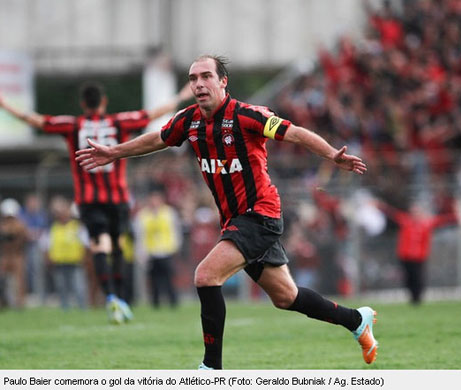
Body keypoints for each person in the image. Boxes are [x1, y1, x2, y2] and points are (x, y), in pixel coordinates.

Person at [76, 55, 378, 368]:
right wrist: (114, 152)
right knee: (286, 297)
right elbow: (158, 139)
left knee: (205, 276)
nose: (198, 84)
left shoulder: (248, 115)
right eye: (193, 78)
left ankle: (211, 369)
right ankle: (357, 320)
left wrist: (332, 155)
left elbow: (296, 133)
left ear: (223, 82)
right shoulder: (189, 120)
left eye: (206, 76)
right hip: (236, 221)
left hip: (260, 215)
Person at [0, 82, 192, 323]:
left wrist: (5, 104)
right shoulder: (119, 122)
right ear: (103, 102)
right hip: (118, 198)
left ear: (83, 104)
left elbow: (34, 120)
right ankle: (121, 298)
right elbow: (154, 114)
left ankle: (111, 296)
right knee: (118, 246)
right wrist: (182, 95)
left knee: (99, 246)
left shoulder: (72, 125)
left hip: (89, 200)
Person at [377, 199, 457, 305]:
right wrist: (380, 206)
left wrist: (456, 216)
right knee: (408, 278)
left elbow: (442, 220)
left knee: (418, 278)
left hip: (419, 257)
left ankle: (417, 298)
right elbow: (393, 213)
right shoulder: (406, 221)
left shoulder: (426, 223)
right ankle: (412, 296)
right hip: (405, 256)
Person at [136, 187, 182, 308]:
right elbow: (140, 235)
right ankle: (155, 303)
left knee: (169, 279)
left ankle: (173, 302)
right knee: (154, 281)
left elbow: (176, 231)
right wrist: (142, 252)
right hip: (151, 252)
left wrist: (175, 247)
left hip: (166, 251)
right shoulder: (143, 215)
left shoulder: (169, 213)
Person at [41, 196, 88, 310]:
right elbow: (46, 245)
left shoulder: (77, 227)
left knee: (79, 287)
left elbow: (85, 244)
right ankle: (65, 309)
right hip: (59, 262)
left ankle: (83, 308)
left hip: (75, 261)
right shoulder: (52, 228)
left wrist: (84, 258)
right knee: (62, 288)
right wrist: (48, 258)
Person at [0, 198, 28, 308]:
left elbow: (21, 238)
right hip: (4, 256)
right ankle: (3, 302)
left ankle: (19, 303)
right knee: (2, 280)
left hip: (17, 255)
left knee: (19, 281)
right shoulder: (3, 225)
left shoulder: (20, 225)